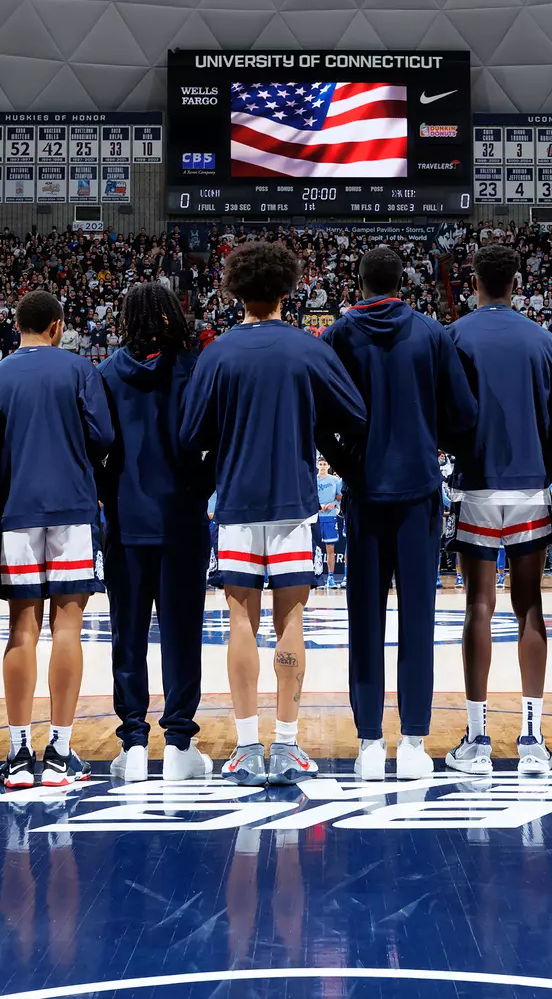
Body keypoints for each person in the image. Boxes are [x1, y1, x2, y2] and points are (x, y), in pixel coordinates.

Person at [181, 241, 366, 787]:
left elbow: (190, 435)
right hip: (293, 504)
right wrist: (307, 423)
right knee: (291, 621)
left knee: (241, 620)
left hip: (236, 504)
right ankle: (285, 745)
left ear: (234, 290)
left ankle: (244, 748)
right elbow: (354, 414)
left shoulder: (217, 353)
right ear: (288, 289)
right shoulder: (309, 348)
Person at [322, 246, 476, 780]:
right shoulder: (432, 333)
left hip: (365, 495)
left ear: (360, 281)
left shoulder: (338, 336)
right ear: (402, 281)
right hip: (417, 495)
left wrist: (347, 463)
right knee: (418, 620)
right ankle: (413, 743)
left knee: (364, 622)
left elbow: (317, 416)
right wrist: (428, 439)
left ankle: (369, 743)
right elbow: (465, 414)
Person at [445, 243, 552, 776]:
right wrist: (541, 451)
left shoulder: (454, 336)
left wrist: (462, 449)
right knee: (530, 606)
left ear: (473, 282)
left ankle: (477, 740)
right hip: (528, 486)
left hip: (476, 484)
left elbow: (443, 412)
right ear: (516, 284)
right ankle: (533, 740)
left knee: (478, 605)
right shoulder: (542, 339)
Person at [0, 291, 113, 789]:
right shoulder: (79, 370)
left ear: (18, 325)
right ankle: (59, 752)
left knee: (22, 629)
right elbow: (103, 437)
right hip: (72, 508)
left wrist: (4, 495)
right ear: (58, 326)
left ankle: (18, 753)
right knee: (67, 629)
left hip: (18, 509)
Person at [97, 283, 213, 784]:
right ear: (170, 316)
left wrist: (111, 493)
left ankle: (134, 745)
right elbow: (213, 442)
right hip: (182, 521)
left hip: (126, 523)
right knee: (182, 636)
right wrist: (198, 489)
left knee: (128, 637)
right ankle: (180, 744)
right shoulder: (192, 369)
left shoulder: (105, 373)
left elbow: (95, 445)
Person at [316, 457, 343, 587]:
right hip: (315, 517)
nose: (322, 466)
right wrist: (318, 505)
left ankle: (330, 578)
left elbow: (340, 496)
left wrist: (334, 503)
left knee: (330, 549)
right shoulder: (312, 479)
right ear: (317, 466)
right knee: (314, 549)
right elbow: (308, 496)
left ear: (328, 466)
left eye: (324, 464)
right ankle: (315, 577)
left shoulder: (335, 480)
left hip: (330, 517)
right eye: (320, 464)